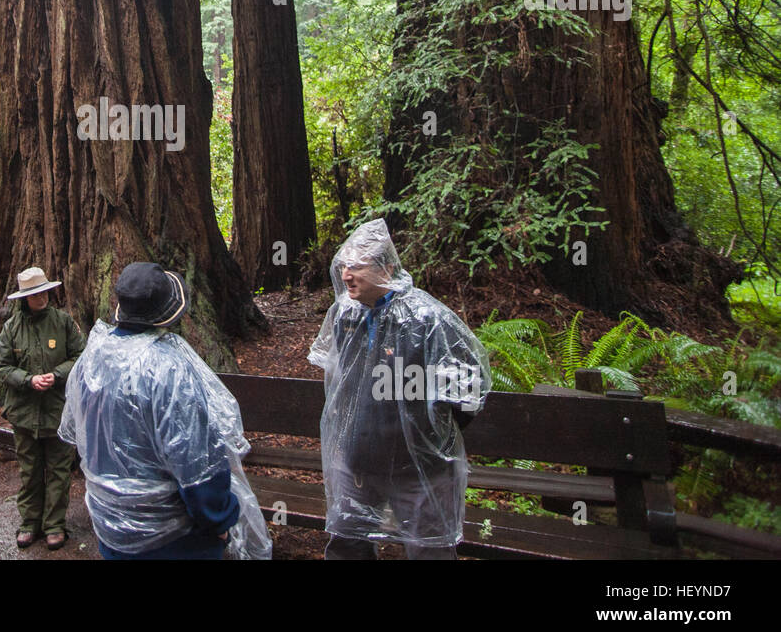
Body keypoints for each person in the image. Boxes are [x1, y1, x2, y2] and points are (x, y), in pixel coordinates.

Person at [59, 262, 271, 560]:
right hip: (173, 541)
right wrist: (218, 520)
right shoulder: (168, 369)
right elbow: (197, 462)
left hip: (111, 530)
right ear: (168, 313)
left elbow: (82, 439)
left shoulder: (91, 359)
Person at [309, 218, 491, 560]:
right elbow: (337, 384)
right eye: (344, 265)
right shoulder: (345, 316)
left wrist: (427, 436)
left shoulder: (428, 319)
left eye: (357, 266)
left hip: (419, 471)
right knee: (347, 545)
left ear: (387, 268)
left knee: (430, 553)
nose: (346, 275)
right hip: (357, 464)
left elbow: (468, 391)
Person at [0, 266, 86, 550]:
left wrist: (56, 374)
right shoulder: (12, 328)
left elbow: (80, 356)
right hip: (24, 413)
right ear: (24, 297)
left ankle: (55, 524)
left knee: (58, 470)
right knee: (30, 470)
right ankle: (30, 522)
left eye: (44, 291)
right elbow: (0, 364)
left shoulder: (63, 322)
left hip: (58, 411)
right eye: (35, 294)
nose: (41, 297)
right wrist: (27, 380)